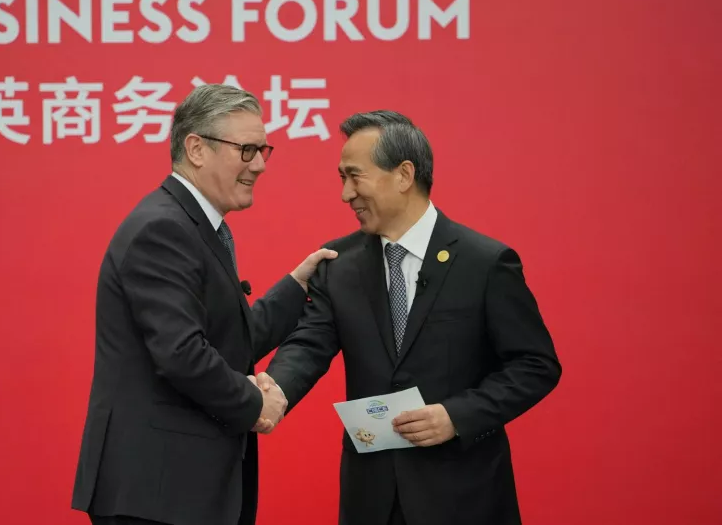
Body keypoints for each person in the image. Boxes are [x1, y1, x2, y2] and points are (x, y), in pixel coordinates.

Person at [257, 110, 562, 525]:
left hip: (463, 493)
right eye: (341, 178)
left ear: (403, 175)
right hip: (373, 496)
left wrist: (458, 416)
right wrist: (273, 392)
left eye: (354, 176)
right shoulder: (338, 262)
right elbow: (309, 344)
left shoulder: (484, 262)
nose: (346, 194)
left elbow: (535, 365)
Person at [71, 84, 336, 525]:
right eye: (247, 150)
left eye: (264, 150)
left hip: (176, 490)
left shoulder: (190, 225)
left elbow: (226, 339)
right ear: (196, 148)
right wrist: (256, 405)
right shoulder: (163, 228)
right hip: (157, 494)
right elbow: (182, 354)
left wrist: (296, 284)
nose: (259, 166)